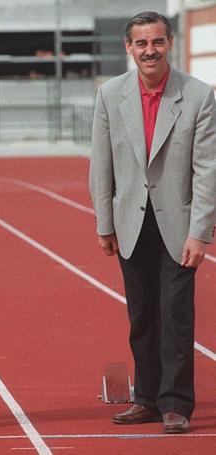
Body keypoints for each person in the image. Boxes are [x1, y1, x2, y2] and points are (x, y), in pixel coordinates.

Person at [89, 11, 216, 434]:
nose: (149, 51)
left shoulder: (198, 96)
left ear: (170, 44)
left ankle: (176, 402)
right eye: (141, 43)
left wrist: (200, 231)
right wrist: (104, 222)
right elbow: (100, 162)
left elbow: (207, 170)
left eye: (157, 42)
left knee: (176, 316)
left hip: (178, 225)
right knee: (141, 316)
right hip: (129, 222)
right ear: (129, 47)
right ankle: (146, 397)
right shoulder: (110, 94)